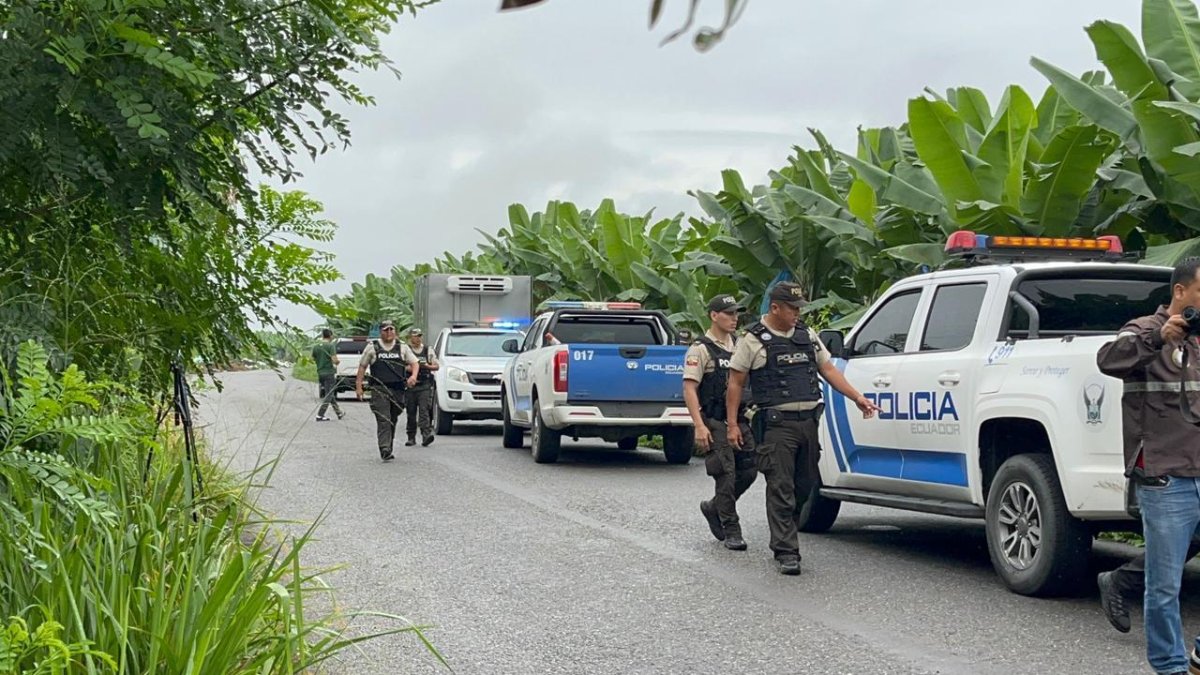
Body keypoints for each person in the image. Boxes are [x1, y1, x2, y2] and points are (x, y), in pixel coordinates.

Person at [725, 281, 879, 576]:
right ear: (775, 308)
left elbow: (829, 369)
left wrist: (858, 397)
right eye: (793, 308)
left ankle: (786, 534)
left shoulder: (806, 335)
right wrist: (732, 424)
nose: (797, 313)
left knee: (805, 485)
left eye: (799, 308)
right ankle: (786, 550)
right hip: (775, 426)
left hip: (808, 422)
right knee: (781, 486)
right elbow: (736, 382)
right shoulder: (753, 340)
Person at [1097, 257, 1200, 675]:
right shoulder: (1142, 330)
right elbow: (1108, 359)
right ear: (1181, 293)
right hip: (1165, 475)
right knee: (1164, 586)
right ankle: (1171, 667)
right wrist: (1159, 337)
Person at [683, 294, 756, 551]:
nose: (735, 318)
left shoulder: (740, 344)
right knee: (725, 474)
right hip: (714, 420)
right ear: (714, 315)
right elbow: (690, 388)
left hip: (738, 419)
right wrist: (699, 426)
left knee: (749, 470)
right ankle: (731, 528)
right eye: (729, 313)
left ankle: (715, 507)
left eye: (737, 314)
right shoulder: (700, 349)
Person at [356, 321, 418, 461]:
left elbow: (414, 363)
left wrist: (413, 376)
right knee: (384, 419)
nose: (389, 332)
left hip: (398, 390)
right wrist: (359, 387)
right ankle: (384, 448)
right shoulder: (372, 347)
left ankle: (388, 446)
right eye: (386, 330)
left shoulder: (402, 347)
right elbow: (362, 367)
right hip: (379, 389)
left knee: (392, 418)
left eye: (391, 329)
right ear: (381, 332)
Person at [404, 327, 439, 447]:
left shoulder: (428, 350)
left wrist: (426, 366)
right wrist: (414, 367)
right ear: (410, 337)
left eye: (419, 336)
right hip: (410, 386)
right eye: (415, 336)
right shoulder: (406, 350)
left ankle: (426, 435)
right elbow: (401, 366)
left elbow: (436, 366)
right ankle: (411, 437)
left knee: (424, 411)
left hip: (424, 384)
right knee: (411, 412)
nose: (417, 338)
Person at [312, 328, 344, 422]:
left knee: (329, 393)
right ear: (330, 336)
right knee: (329, 394)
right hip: (329, 372)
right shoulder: (330, 346)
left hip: (320, 373)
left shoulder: (316, 346)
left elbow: (313, 358)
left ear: (322, 335)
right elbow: (334, 360)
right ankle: (320, 414)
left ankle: (339, 412)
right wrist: (337, 362)